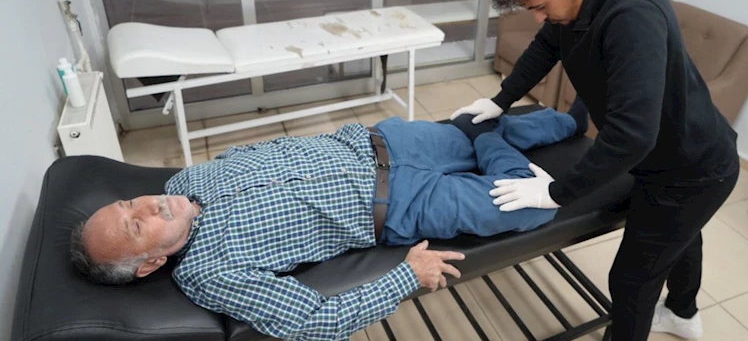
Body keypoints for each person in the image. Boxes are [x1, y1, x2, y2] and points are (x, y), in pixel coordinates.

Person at [69, 106, 586, 341]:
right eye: (136, 227)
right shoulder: (209, 271)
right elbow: (315, 321)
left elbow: (266, 148)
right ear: (150, 264)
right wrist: (407, 276)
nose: (149, 205)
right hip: (401, 202)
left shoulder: (185, 177)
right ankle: (490, 143)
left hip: (384, 141)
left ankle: (567, 120)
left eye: (129, 203)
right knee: (538, 204)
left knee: (485, 121)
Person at [451, 0, 740, 341]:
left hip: (691, 168)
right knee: (680, 238)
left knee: (632, 279)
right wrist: (501, 100)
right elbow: (547, 45)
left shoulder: (631, 14)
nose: (539, 17)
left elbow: (632, 135)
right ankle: (683, 313)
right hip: (666, 152)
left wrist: (556, 193)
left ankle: (676, 314)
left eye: (539, 6)